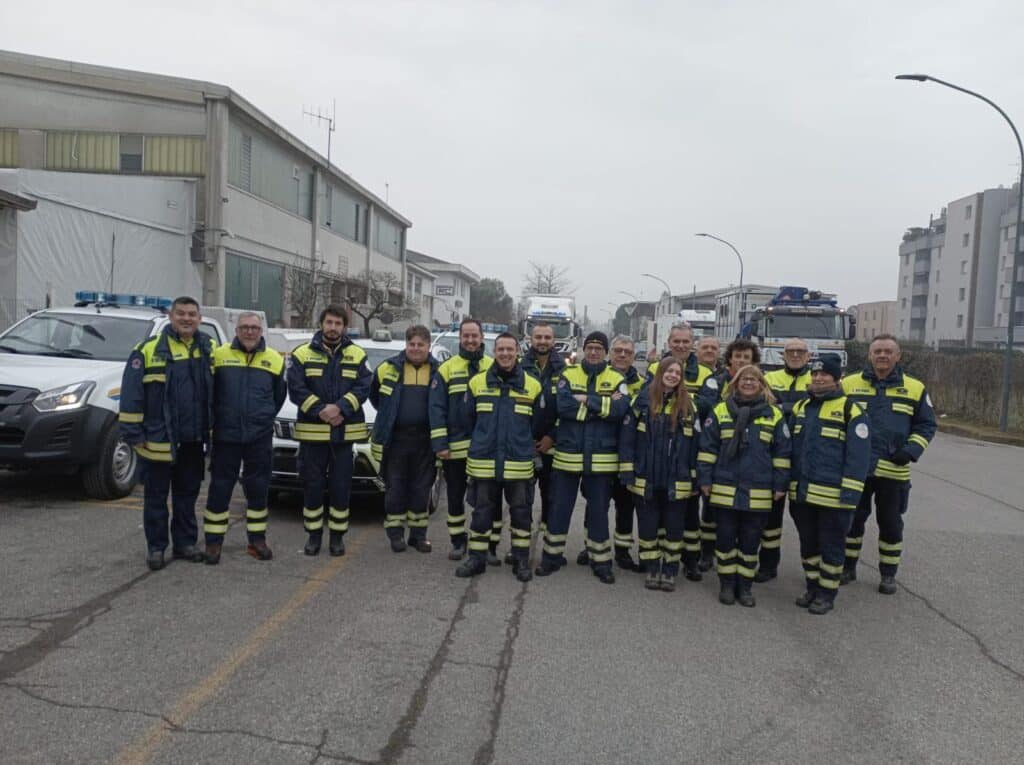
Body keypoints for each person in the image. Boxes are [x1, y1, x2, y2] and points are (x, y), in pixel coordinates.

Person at [119, 296, 216, 571]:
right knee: (156, 498)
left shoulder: (208, 349)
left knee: (187, 496)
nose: (187, 319)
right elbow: (131, 396)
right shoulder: (147, 350)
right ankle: (157, 547)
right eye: (181, 314)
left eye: (192, 314)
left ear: (199, 318)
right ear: (171, 317)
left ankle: (185, 544)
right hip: (157, 440)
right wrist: (133, 434)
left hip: (193, 441)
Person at [840, 334, 936, 594]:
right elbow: (836, 418)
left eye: (887, 351)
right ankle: (848, 568)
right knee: (852, 522)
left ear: (898, 356)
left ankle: (888, 574)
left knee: (891, 524)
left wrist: (911, 449)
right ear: (869, 355)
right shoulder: (848, 384)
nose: (882, 356)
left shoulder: (914, 388)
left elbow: (927, 424)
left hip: (894, 471)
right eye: (877, 351)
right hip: (858, 471)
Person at [536, 331, 628, 584]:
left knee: (599, 511)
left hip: (601, 459)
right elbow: (563, 407)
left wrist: (587, 400)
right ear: (584, 349)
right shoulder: (568, 374)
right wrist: (601, 407)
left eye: (599, 348)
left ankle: (601, 562)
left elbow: (620, 410)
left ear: (606, 352)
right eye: (590, 347)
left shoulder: (617, 377)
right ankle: (551, 557)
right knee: (559, 509)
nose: (594, 351)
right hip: (568, 456)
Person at [698, 365, 790, 607]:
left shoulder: (774, 414)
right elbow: (707, 449)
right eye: (744, 379)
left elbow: (782, 452)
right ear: (735, 383)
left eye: (754, 379)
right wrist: (705, 479)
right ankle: (727, 584)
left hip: (759, 491)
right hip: (724, 488)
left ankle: (745, 587)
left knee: (750, 542)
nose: (749, 382)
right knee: (725, 540)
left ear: (762, 385)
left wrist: (780, 484)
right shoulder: (719, 411)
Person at [456, 332, 544, 582]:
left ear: (518, 352)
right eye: (500, 349)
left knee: (521, 514)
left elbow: (538, 424)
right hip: (484, 462)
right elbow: (466, 419)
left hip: (518, 464)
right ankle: (477, 559)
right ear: (494, 352)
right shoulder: (477, 383)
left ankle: (520, 560)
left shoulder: (533, 385)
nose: (505, 354)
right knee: (482, 513)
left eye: (510, 349)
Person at [788, 354, 871, 615]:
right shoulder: (801, 407)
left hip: (834, 498)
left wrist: (850, 494)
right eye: (814, 374)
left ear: (836, 379)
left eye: (824, 374)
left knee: (832, 547)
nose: (818, 378)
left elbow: (859, 458)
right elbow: (790, 449)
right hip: (802, 495)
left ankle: (827, 593)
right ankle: (812, 587)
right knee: (808, 545)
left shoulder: (850, 410)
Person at [287, 305, 372, 557]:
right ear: (321, 324)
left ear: (345, 327)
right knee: (312, 487)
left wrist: (341, 409)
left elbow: (363, 387)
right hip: (313, 437)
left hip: (343, 437)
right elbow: (296, 388)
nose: (333, 327)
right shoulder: (301, 354)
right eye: (329, 322)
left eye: (338, 323)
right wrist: (321, 410)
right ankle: (313, 537)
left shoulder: (357, 355)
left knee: (340, 488)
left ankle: (337, 538)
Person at [202, 312, 286, 564]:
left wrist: (263, 416)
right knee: (220, 488)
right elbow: (211, 393)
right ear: (236, 330)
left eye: (254, 328)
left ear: (261, 332)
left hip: (258, 437)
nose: (250, 332)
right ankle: (213, 544)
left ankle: (257, 541)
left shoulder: (274, 359)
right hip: (226, 435)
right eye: (245, 327)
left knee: (258, 490)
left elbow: (278, 396)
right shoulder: (219, 355)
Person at [619, 356, 701, 592]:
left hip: (678, 478)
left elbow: (696, 444)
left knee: (675, 528)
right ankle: (652, 567)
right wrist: (627, 471)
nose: (673, 375)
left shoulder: (688, 405)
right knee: (648, 526)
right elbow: (627, 438)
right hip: (646, 476)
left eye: (678, 372)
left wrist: (694, 476)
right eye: (669, 371)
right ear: (660, 373)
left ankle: (670, 570)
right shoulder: (642, 400)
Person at [370, 325, 440, 554]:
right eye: (412, 344)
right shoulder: (387, 368)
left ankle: (418, 537)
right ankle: (396, 534)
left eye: (421, 344)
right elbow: (375, 398)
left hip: (425, 441)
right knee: (396, 488)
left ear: (429, 346)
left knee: (421, 490)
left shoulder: (439, 371)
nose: (416, 348)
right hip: (396, 439)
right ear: (406, 345)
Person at [430, 318, 494, 561]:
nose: (470, 340)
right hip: (455, 448)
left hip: (485, 448)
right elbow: (436, 409)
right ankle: (458, 541)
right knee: (455, 497)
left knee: (486, 499)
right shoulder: (446, 369)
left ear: (481, 337)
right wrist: (440, 444)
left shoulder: (492, 366)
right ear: (460, 338)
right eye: (465, 336)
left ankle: (485, 544)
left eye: (474, 336)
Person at [697, 336, 761, 571]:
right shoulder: (716, 381)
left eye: (747, 357)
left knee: (744, 513)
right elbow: (707, 407)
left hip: (751, 456)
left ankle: (739, 555)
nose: (742, 361)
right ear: (730, 359)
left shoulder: (761, 382)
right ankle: (707, 553)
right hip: (720, 449)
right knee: (712, 508)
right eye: (738, 357)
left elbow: (774, 406)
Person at [756, 338, 812, 582]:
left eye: (800, 351)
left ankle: (813, 571)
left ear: (808, 356)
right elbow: (766, 407)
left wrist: (784, 405)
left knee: (807, 521)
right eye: (791, 351)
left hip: (805, 460)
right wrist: (796, 406)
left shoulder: (818, 379)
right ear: (783, 355)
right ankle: (768, 566)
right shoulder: (770, 379)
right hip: (774, 456)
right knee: (771, 519)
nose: (796, 355)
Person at [519, 322, 566, 542]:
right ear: (530, 339)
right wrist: (525, 438)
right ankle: (521, 543)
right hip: (524, 445)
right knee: (523, 500)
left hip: (552, 447)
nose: (542, 341)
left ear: (553, 341)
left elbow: (568, 410)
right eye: (538, 337)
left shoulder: (566, 370)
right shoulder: (518, 368)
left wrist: (552, 437)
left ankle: (548, 543)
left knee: (552, 499)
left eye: (547, 338)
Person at [605, 335, 645, 571]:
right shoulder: (599, 377)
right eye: (618, 351)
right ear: (610, 353)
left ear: (633, 356)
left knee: (626, 504)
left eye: (627, 352)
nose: (622, 355)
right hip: (601, 450)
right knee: (596, 503)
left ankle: (622, 550)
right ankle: (593, 545)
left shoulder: (642, 384)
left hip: (629, 453)